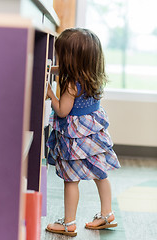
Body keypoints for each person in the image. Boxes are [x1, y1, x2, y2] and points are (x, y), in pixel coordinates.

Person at [46, 28, 121, 237]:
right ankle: (107, 214)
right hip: (94, 135)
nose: (58, 57)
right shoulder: (93, 77)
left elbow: (62, 111)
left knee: (71, 180)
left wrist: (51, 95)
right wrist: (53, 71)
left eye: (61, 54)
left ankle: (69, 223)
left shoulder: (70, 84)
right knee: (101, 174)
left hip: (76, 139)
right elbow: (66, 71)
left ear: (72, 58)